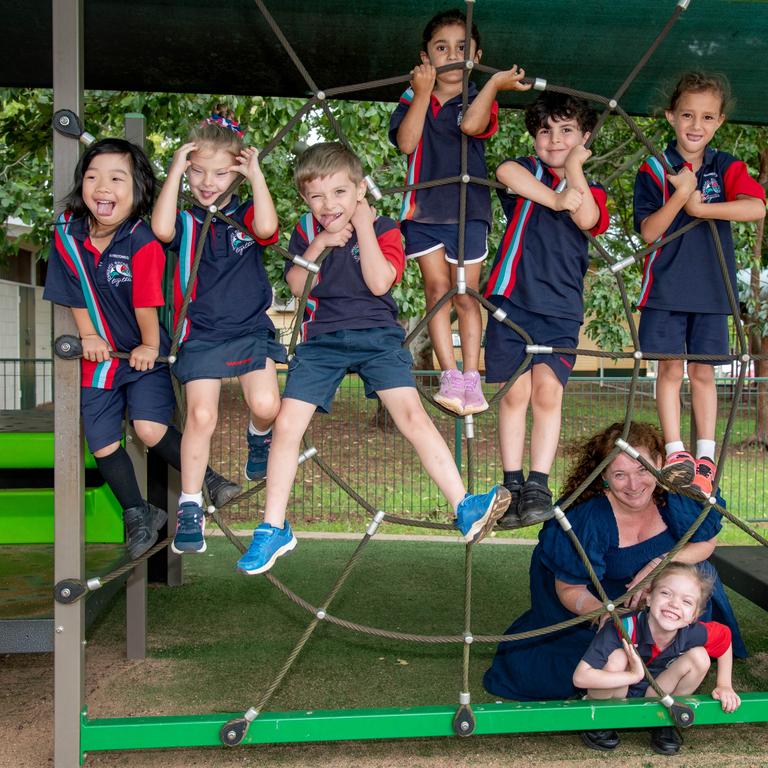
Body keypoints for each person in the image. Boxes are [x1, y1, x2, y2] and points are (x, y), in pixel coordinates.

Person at [234, 142, 510, 575]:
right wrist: (322, 241)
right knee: (287, 424)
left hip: (377, 336)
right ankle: (273, 527)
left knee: (412, 417)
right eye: (317, 197)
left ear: (360, 189)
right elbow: (294, 285)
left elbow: (380, 282)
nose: (329, 205)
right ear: (305, 199)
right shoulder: (308, 230)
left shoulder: (383, 227)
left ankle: (463, 505)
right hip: (322, 339)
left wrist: (363, 226)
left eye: (340, 193)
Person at [43, 138, 238, 560]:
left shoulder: (143, 237)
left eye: (117, 178)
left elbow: (145, 300)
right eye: (93, 177)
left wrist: (151, 345)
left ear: (139, 190)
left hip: (143, 351)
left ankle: (207, 477)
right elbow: (71, 288)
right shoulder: (67, 232)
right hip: (102, 358)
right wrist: (89, 336)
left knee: (149, 429)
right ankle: (138, 512)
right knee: (101, 443)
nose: (102, 187)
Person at [483, 421, 745, 705]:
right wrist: (607, 614)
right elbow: (570, 588)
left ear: (659, 462)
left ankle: (667, 662)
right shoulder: (589, 518)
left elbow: (707, 542)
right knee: (569, 667)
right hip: (600, 610)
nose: (634, 485)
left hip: (666, 608)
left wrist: (659, 565)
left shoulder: (675, 496)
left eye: (643, 469)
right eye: (620, 474)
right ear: (604, 476)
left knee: (697, 576)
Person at [463, 90, 609, 527]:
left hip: (561, 308)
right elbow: (505, 170)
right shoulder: (528, 172)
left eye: (567, 131)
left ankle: (538, 484)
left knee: (548, 393)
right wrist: (555, 197)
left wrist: (575, 171)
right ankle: (511, 482)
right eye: (545, 131)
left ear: (584, 137)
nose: (555, 139)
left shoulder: (592, 189)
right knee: (515, 394)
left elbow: (586, 217)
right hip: (512, 298)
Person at [152, 105, 284, 555]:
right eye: (198, 172)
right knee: (201, 417)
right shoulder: (188, 220)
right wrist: (173, 171)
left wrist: (257, 176)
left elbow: (268, 228)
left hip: (248, 327)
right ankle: (191, 505)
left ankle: (258, 435)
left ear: (237, 176)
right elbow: (161, 226)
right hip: (202, 331)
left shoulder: (246, 215)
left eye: (221, 174)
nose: (208, 182)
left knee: (267, 404)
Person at [388, 10, 528, 416]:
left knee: (466, 294)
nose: (452, 55)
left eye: (462, 48)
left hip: (468, 212)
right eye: (441, 48)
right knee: (437, 291)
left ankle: (471, 376)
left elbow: (471, 125)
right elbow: (408, 142)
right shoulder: (412, 97)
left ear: (476, 55)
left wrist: (494, 84)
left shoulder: (480, 99)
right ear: (426, 57)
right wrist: (420, 91)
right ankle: (449, 375)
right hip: (422, 211)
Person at [634, 72, 766, 497]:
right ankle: (676, 453)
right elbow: (650, 231)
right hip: (666, 289)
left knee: (704, 372)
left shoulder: (725, 166)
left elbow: (756, 207)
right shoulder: (655, 168)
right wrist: (681, 196)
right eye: (687, 114)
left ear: (719, 122)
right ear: (671, 116)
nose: (696, 125)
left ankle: (704, 458)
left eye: (707, 117)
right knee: (670, 369)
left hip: (712, 290)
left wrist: (702, 207)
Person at [574, 561, 741, 755]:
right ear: (649, 597)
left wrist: (724, 684)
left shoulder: (692, 632)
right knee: (618, 656)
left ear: (694, 616)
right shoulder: (622, 627)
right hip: (616, 691)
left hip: (657, 691)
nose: (674, 604)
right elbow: (580, 677)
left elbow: (725, 638)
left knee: (700, 657)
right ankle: (600, 718)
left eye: (686, 602)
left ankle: (665, 718)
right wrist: (632, 676)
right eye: (666, 593)